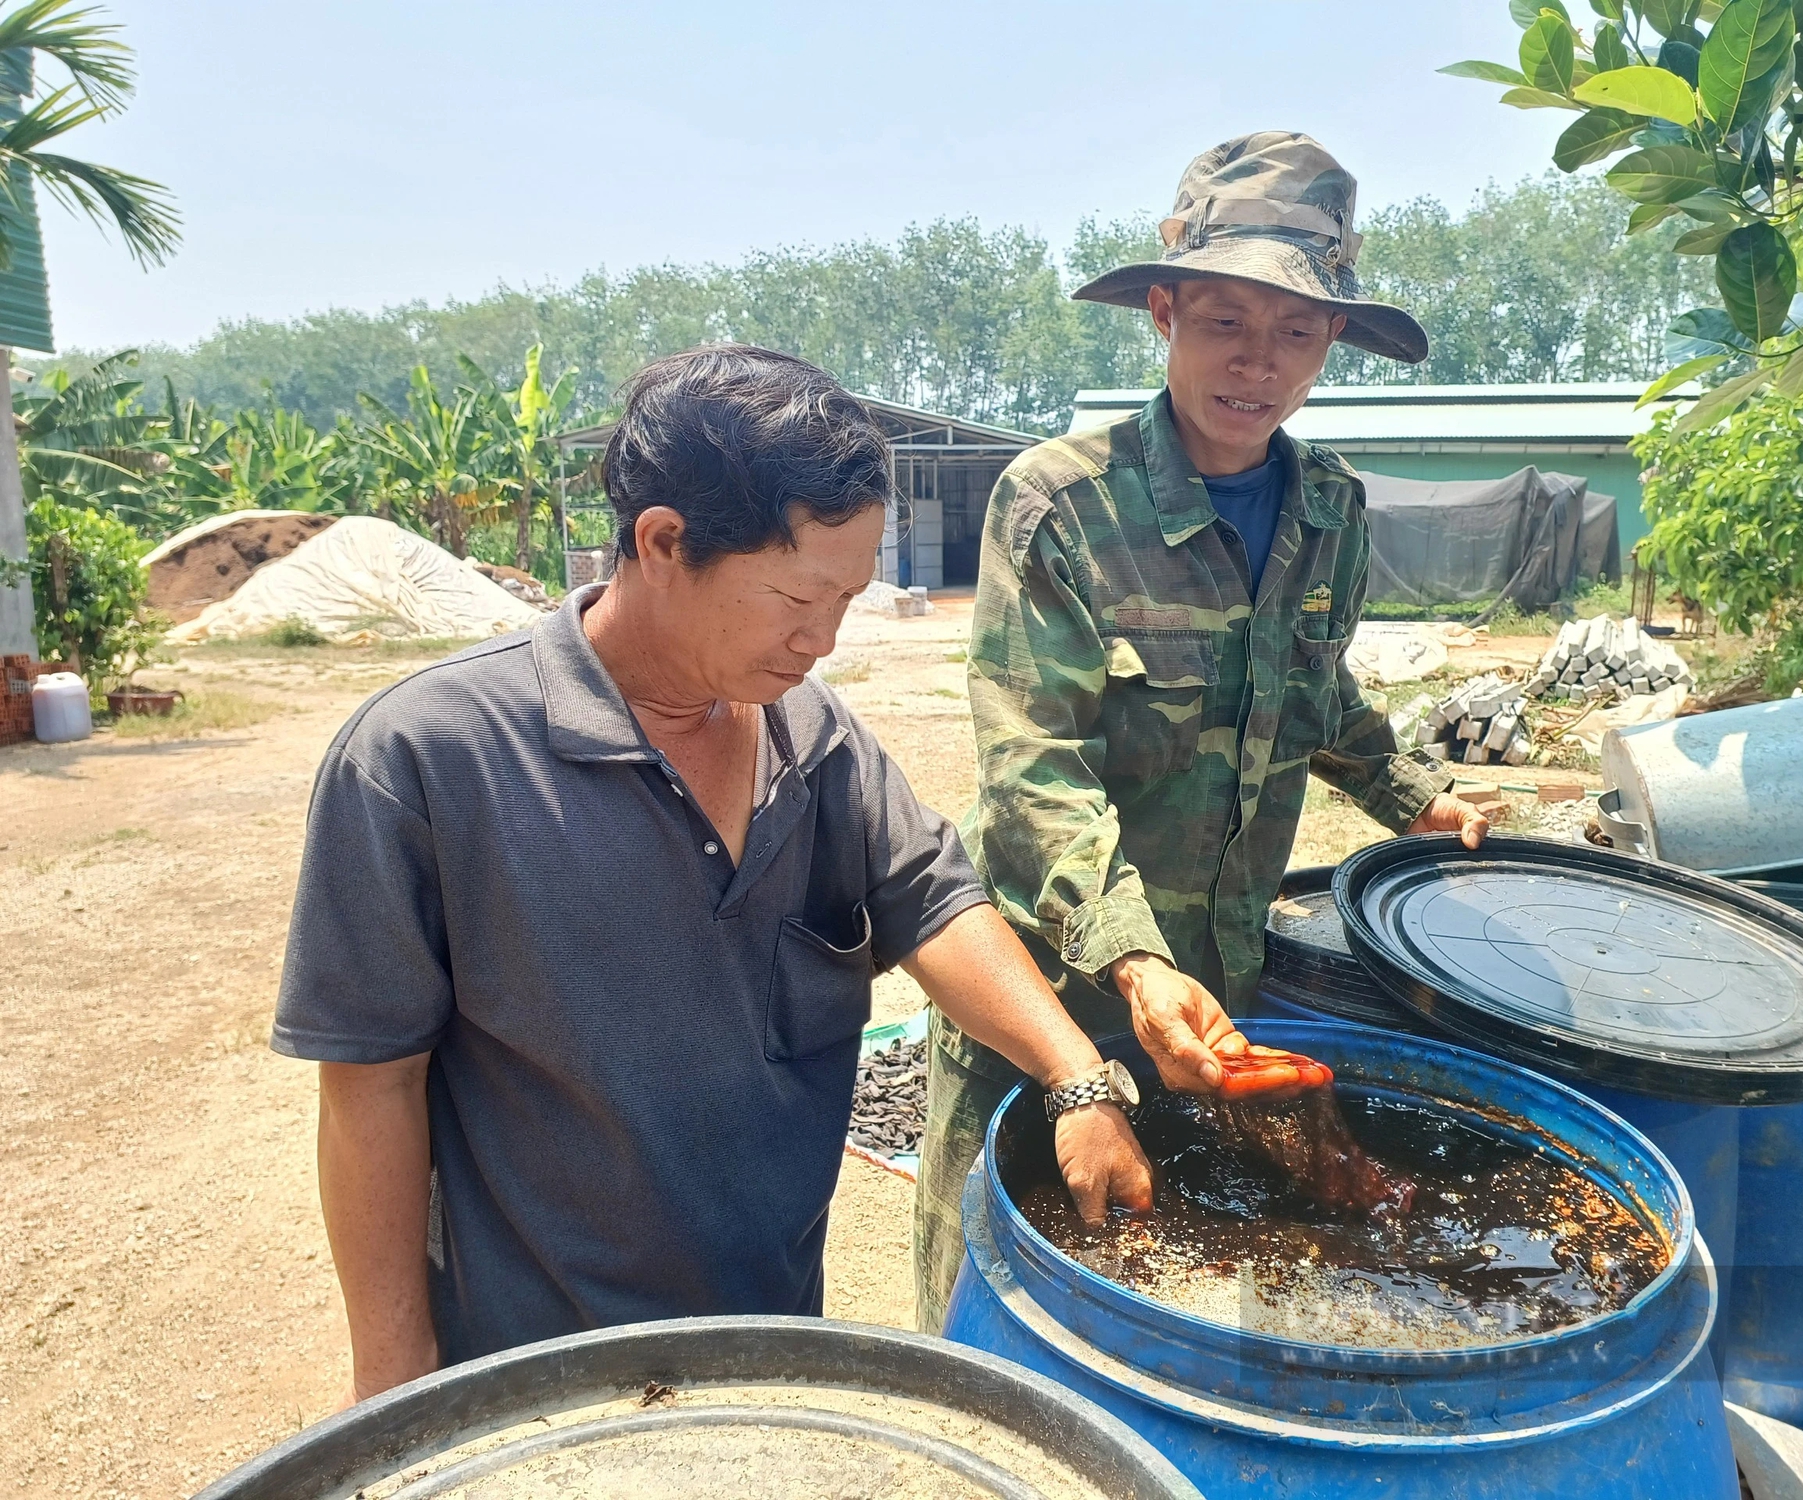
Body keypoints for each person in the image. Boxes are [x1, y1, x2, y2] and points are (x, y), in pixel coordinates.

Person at [273, 345, 1153, 1404]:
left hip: (770, 1337)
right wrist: (393, 1378)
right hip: (536, 1368)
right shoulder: (426, 760)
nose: (821, 642)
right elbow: (370, 1083)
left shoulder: (813, 738)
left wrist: (1076, 1074)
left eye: (847, 600)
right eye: (795, 596)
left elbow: (931, 899)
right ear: (662, 543)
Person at [913, 132, 1491, 1331]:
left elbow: (1313, 689)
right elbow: (1034, 767)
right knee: (998, 1301)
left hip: (1218, 988)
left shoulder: (1328, 508)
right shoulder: (1058, 502)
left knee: (1173, 1284)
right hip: (1055, 981)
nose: (1258, 363)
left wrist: (1412, 797)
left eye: (1295, 331)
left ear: (1332, 341)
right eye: (1226, 321)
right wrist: (1132, 962)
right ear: (1162, 315)